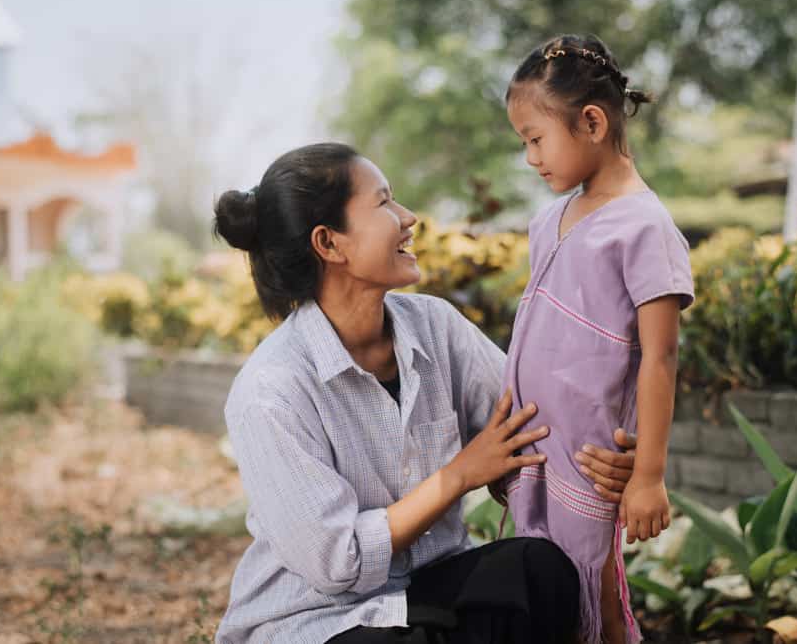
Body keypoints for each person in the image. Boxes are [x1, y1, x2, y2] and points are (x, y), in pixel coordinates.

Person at [211, 142, 640, 644]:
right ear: (329, 243)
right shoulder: (271, 390)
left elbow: (528, 425)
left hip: (426, 591)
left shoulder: (435, 326)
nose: (408, 217)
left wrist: (604, 461)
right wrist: (460, 475)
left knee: (537, 571)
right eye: (384, 203)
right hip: (316, 620)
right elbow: (337, 563)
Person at [500, 34, 695, 644]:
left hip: (592, 456)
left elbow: (660, 357)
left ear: (591, 121)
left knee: (598, 592)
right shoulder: (546, 221)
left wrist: (648, 475)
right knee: (541, 587)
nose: (531, 158)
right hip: (535, 445)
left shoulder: (645, 227)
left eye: (536, 139)